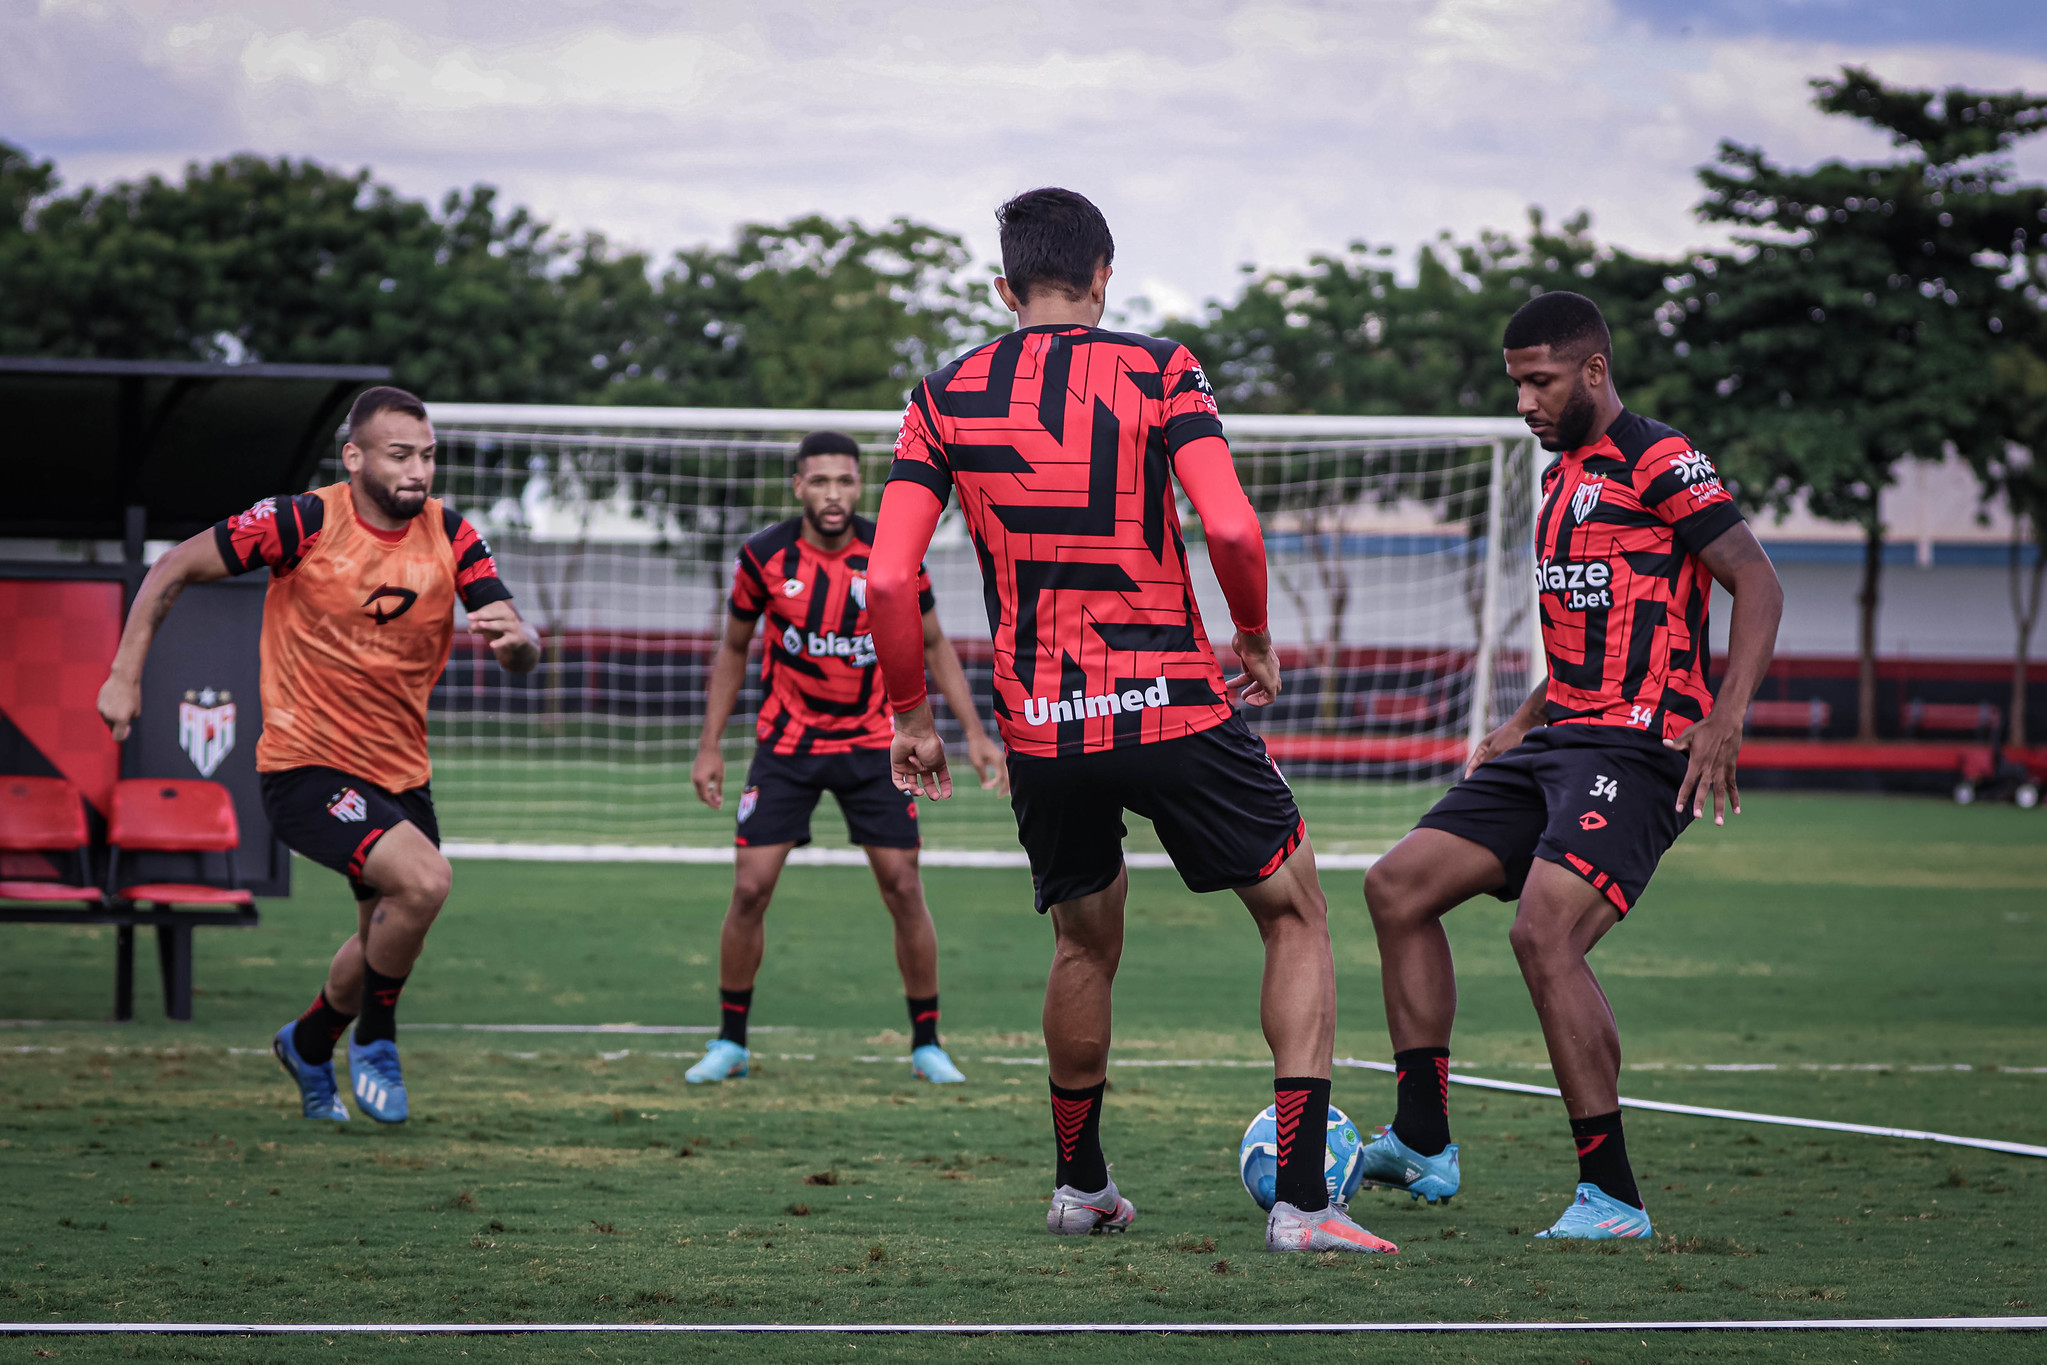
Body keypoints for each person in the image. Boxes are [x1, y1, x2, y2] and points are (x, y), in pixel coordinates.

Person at [868, 187, 1397, 1255]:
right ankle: (1300, 1205)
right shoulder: (1161, 369)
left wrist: (912, 717)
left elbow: (886, 579)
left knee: (1083, 941)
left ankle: (1081, 1189)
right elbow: (1233, 524)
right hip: (1171, 704)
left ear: (1002, 285)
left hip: (1043, 724)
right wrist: (1250, 636)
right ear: (1104, 274)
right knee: (1293, 913)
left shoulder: (941, 396)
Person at [1356, 291, 1784, 1238]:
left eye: (1539, 381)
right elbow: (1590, 636)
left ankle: (1612, 1195)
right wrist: (1518, 723)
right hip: (1559, 739)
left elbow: (1756, 578)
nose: (1524, 402)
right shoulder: (1559, 480)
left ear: (1593, 369)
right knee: (1395, 888)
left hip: (1640, 748)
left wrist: (1725, 715)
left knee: (1543, 935)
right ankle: (1423, 1140)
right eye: (1515, 383)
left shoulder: (1659, 459)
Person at [96, 386, 540, 1124]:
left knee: (380, 938)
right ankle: (377, 1038)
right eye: (400, 455)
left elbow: (516, 644)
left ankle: (308, 1042)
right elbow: (173, 566)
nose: (418, 471)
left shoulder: (454, 536)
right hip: (305, 766)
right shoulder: (299, 521)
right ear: (355, 456)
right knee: (426, 883)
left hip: (402, 773)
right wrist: (123, 672)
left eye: (428, 456)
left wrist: (522, 644)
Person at [684, 431, 1004, 1087]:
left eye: (845, 481)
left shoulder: (890, 554)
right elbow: (734, 649)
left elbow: (935, 642)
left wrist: (974, 732)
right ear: (798, 486)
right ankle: (730, 1041)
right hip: (787, 744)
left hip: (873, 746)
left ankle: (925, 1043)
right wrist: (710, 744)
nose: (833, 494)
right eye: (820, 480)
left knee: (904, 887)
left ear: (860, 486)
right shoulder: (763, 556)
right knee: (749, 888)